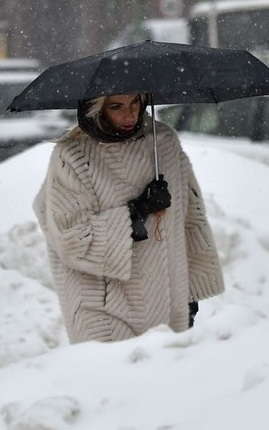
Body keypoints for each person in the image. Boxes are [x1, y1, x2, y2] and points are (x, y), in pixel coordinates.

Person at [33, 93, 225, 343]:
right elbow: (71, 239)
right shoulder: (72, 155)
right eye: (116, 106)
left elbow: (190, 220)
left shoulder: (163, 142)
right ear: (96, 109)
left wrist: (189, 292)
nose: (130, 114)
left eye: (135, 102)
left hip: (165, 301)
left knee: (163, 380)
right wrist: (138, 210)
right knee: (113, 380)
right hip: (102, 308)